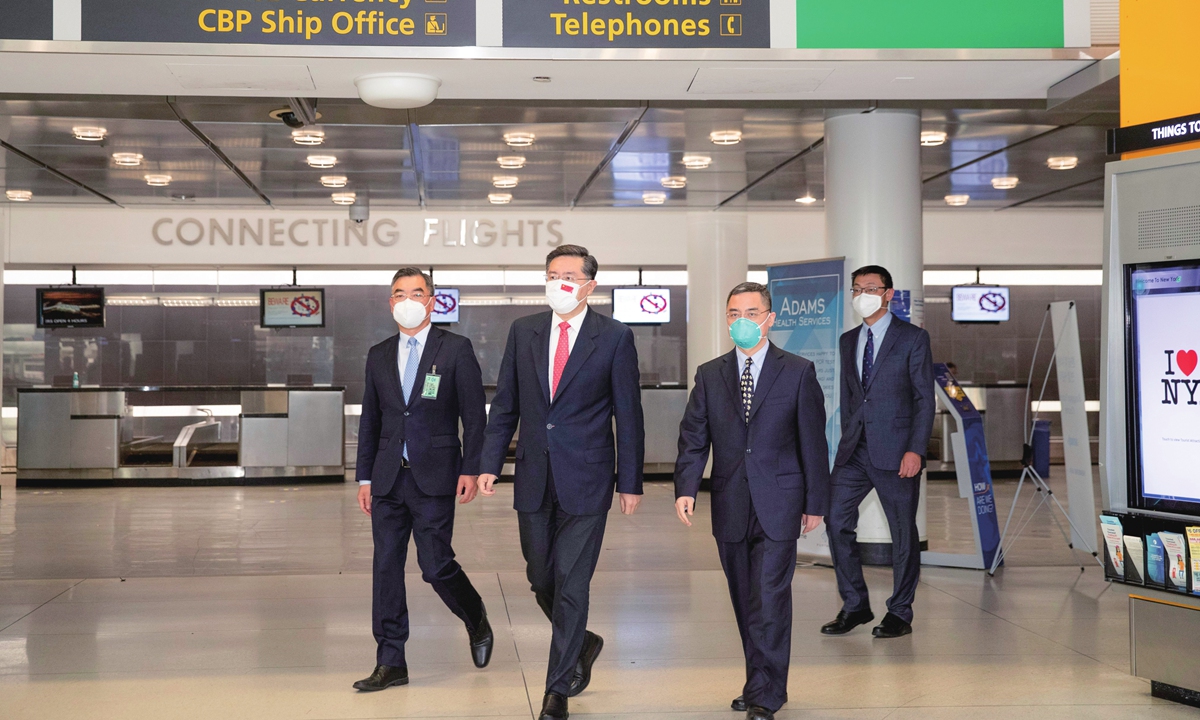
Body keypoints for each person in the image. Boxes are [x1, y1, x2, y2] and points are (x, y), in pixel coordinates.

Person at [477, 244, 645, 720]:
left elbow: (627, 415)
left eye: (570, 275)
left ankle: (557, 689)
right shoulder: (523, 331)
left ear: (591, 284)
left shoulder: (613, 337)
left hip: (588, 478)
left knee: (572, 581)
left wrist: (629, 481)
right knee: (539, 576)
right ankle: (584, 641)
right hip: (532, 474)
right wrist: (491, 461)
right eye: (553, 274)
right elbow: (506, 403)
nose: (560, 283)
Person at [674, 282, 831, 720]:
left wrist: (817, 501)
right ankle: (757, 680)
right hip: (730, 502)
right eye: (732, 313)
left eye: (750, 311)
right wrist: (686, 488)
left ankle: (766, 695)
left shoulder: (798, 371)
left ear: (770, 317)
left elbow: (813, 443)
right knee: (745, 601)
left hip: (780, 502)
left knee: (770, 599)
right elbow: (693, 438)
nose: (740, 320)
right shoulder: (710, 374)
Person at [353, 267, 493, 692]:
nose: (408, 300)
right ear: (390, 302)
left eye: (417, 292)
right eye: (400, 293)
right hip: (388, 478)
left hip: (436, 476)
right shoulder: (378, 354)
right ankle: (391, 660)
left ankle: (475, 615)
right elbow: (371, 420)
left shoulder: (456, 349)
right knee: (386, 568)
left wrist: (471, 467)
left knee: (434, 566)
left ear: (432, 301)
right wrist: (363, 477)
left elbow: (474, 416)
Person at [823, 265, 935, 639]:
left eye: (870, 288)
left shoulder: (913, 338)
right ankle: (855, 605)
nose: (861, 294)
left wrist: (915, 449)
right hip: (855, 451)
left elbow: (924, 398)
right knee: (836, 522)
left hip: (897, 451)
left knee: (902, 533)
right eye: (856, 289)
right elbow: (852, 396)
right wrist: (843, 440)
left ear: (888, 293)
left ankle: (900, 612)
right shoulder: (847, 339)